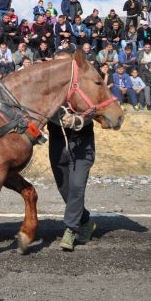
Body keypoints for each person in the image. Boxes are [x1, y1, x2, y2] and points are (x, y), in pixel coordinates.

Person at [48, 107, 97, 251]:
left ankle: (70, 230)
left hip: (83, 142)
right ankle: (86, 221)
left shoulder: (85, 85)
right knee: (64, 187)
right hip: (57, 139)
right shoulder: (49, 86)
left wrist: (78, 119)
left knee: (77, 185)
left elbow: (95, 108)